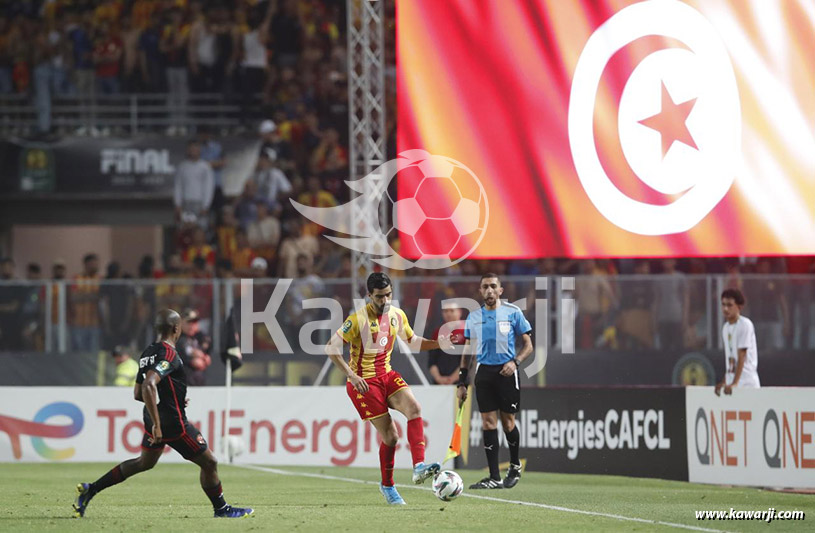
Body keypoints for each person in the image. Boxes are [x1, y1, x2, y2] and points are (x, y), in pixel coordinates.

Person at [73, 309, 253, 519]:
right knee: (210, 462)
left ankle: (91, 489)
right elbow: (149, 386)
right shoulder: (168, 353)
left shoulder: (147, 352)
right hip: (171, 423)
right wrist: (159, 424)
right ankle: (222, 509)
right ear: (177, 329)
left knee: (144, 463)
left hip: (153, 418)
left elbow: (137, 394)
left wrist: (171, 399)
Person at [324, 272, 443, 505]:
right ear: (369, 295)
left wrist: (439, 343)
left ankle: (419, 466)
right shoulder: (357, 320)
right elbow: (331, 348)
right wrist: (352, 375)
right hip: (364, 383)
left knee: (415, 409)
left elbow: (413, 341)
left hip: (386, 375)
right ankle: (387, 486)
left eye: (388, 295)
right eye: (379, 297)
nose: (385, 301)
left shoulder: (397, 315)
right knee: (391, 436)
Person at [457, 273, 533, 490]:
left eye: (493, 286)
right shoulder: (473, 317)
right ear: (480, 291)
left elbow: (528, 345)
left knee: (508, 423)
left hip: (506, 373)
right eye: (485, 287)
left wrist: (515, 363)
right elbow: (468, 352)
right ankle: (494, 477)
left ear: (500, 290)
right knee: (488, 423)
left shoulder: (513, 313)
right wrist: (462, 382)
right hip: (484, 374)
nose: (489, 290)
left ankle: (515, 465)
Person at [715, 289, 760, 395]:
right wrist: (724, 382)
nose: (725, 309)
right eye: (723, 305)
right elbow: (731, 361)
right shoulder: (725, 328)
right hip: (731, 385)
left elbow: (742, 355)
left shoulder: (745, 324)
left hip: (747, 383)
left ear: (739, 307)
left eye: (730, 305)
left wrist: (735, 383)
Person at [428, 302, 466, 385]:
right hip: (439, 383)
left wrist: (453, 378)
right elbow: (432, 360)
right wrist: (438, 378)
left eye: (452, 311)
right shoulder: (437, 333)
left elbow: (468, 360)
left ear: (459, 312)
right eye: (445, 311)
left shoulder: (466, 331)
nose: (448, 314)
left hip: (461, 382)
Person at [176, 308, 211, 386]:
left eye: (195, 322)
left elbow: (206, 358)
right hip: (182, 385)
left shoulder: (199, 337)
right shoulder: (177, 339)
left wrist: (203, 356)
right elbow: (195, 362)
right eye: (189, 322)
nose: (192, 325)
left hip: (198, 384)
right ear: (181, 323)